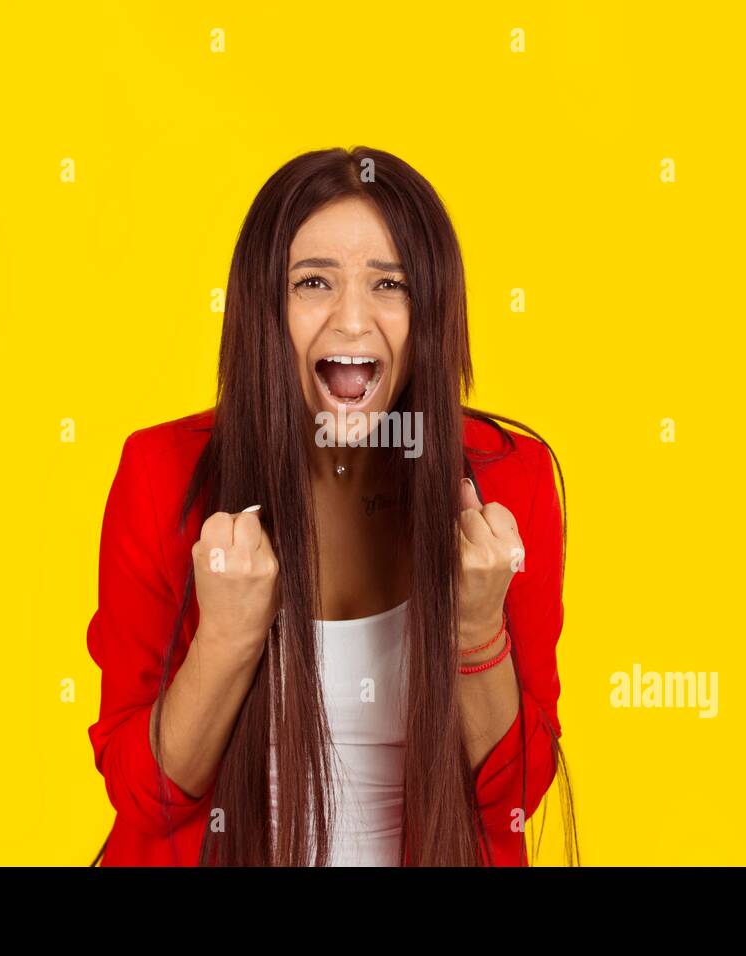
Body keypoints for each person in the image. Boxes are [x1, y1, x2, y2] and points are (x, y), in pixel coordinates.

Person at [86, 146, 576, 866]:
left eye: (391, 285)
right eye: (313, 282)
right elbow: (146, 795)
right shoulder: (161, 473)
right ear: (263, 307)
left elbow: (515, 795)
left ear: (432, 311)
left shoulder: (511, 482)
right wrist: (224, 640)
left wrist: (476, 631)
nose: (352, 321)